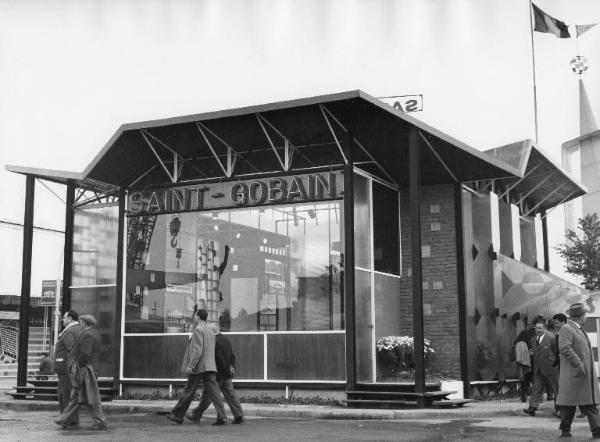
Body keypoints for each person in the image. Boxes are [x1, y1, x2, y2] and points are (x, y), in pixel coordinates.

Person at [166, 308, 226, 425]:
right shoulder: (210, 330)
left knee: (189, 390)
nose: (194, 317)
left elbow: (197, 350)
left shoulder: (198, 330)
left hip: (199, 366)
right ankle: (222, 416)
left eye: (195, 315)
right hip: (210, 366)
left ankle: (177, 415)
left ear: (198, 317)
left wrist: (191, 365)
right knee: (214, 393)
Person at [54, 314, 106, 431]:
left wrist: (77, 367)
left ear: (84, 323)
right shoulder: (94, 333)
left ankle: (99, 421)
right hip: (88, 368)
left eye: (81, 321)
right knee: (81, 395)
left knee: (81, 395)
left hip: (85, 369)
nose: (79, 323)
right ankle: (64, 418)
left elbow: (85, 354)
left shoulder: (88, 334)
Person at [556, 303, 600, 438]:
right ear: (580, 316)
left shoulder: (578, 328)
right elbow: (565, 348)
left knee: (589, 404)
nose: (586, 316)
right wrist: (579, 364)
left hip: (582, 375)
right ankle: (565, 431)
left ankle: (597, 431)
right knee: (569, 405)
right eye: (585, 314)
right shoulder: (567, 329)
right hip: (574, 374)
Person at [187, 330, 245, 424]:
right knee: (231, 395)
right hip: (227, 374)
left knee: (208, 395)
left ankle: (201, 415)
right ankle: (239, 416)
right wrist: (231, 367)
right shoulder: (226, 339)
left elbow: (219, 358)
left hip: (217, 374)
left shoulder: (213, 341)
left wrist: (225, 369)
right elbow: (232, 355)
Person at [52, 310, 83, 429]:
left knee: (65, 394)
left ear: (70, 318)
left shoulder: (70, 330)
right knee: (69, 394)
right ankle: (69, 419)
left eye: (64, 318)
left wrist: (72, 367)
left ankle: (68, 420)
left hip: (66, 368)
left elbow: (72, 349)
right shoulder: (79, 329)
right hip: (70, 368)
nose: (62, 320)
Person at [523, 318, 559, 417]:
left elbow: (557, 352)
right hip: (538, 369)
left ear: (545, 328)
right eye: (536, 328)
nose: (537, 330)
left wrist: (555, 364)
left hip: (551, 368)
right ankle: (532, 408)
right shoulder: (533, 339)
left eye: (540, 328)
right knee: (536, 388)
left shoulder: (552, 338)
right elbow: (535, 354)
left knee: (556, 389)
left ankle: (559, 410)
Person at [515, 316, 543, 402]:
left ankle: (524, 394)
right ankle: (538, 397)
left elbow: (516, 343)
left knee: (526, 377)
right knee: (537, 378)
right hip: (538, 359)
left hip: (526, 359)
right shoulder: (542, 333)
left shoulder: (524, 333)